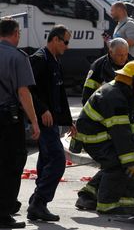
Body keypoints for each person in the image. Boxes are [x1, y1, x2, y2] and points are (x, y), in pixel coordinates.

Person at [74, 61, 134, 214]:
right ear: (132, 81)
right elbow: (120, 135)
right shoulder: (115, 98)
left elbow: (128, 129)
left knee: (118, 161)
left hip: (102, 135)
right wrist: (130, 163)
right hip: (95, 139)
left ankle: (89, 194)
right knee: (119, 163)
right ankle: (107, 204)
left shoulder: (121, 93)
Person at [27, 25, 77, 222]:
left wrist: (67, 121)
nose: (67, 46)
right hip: (43, 121)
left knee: (47, 161)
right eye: (65, 42)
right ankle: (38, 201)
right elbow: (27, 89)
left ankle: (38, 205)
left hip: (53, 122)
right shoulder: (39, 59)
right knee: (57, 160)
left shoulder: (55, 60)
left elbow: (60, 93)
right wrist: (42, 110)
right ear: (55, 39)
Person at [0, 18, 40, 229]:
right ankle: (4, 213)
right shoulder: (18, 57)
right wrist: (34, 121)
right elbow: (23, 92)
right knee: (11, 164)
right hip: (8, 120)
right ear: (15, 33)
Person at [82, 38, 131, 104]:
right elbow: (87, 93)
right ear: (110, 52)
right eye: (120, 55)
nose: (123, 58)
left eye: (126, 54)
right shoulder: (98, 66)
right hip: (105, 105)